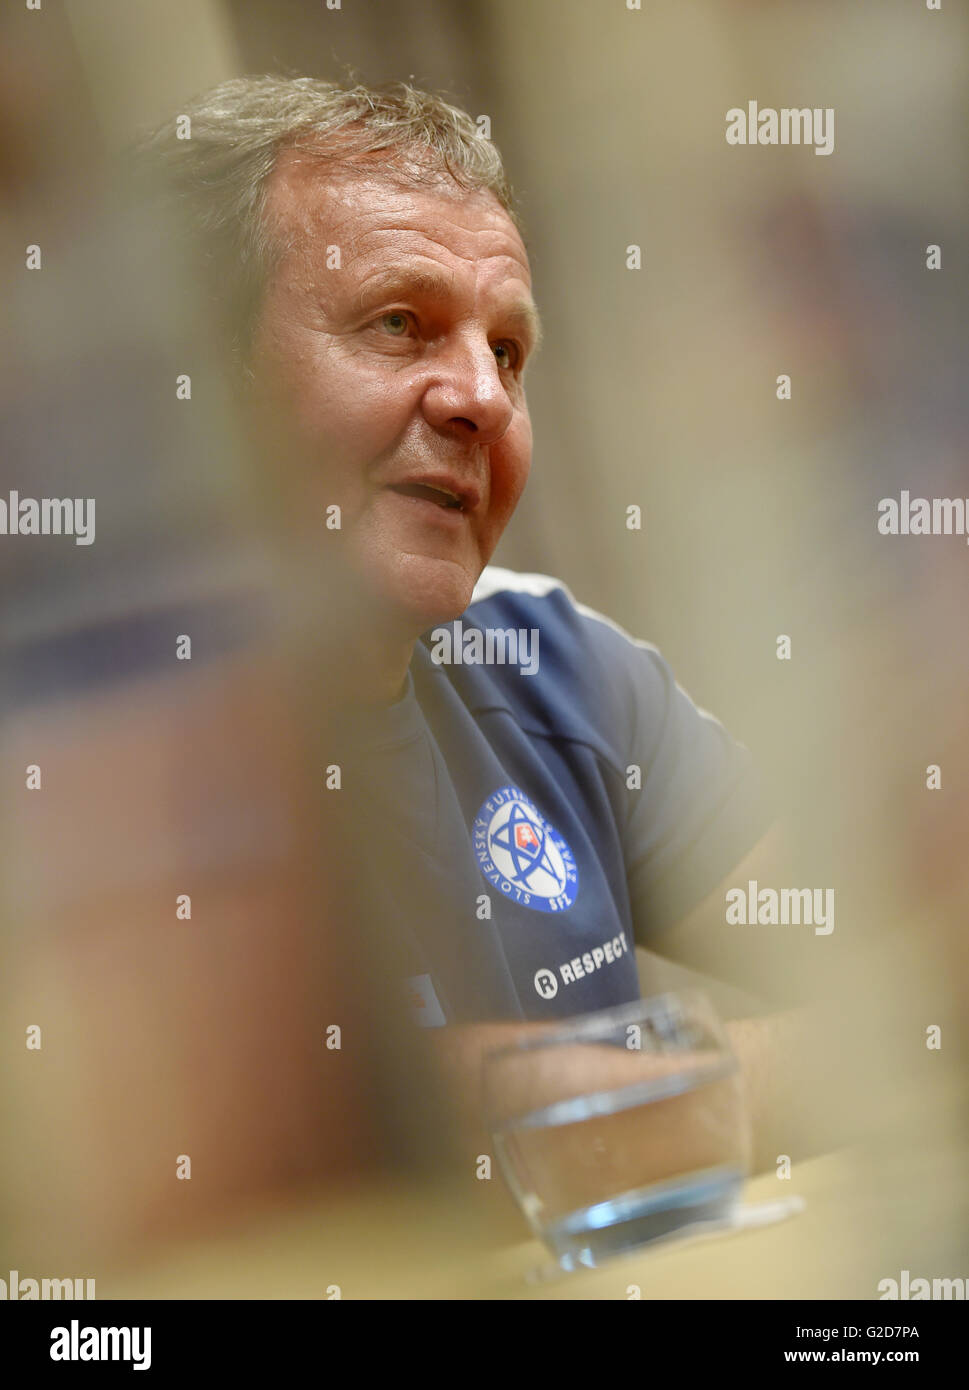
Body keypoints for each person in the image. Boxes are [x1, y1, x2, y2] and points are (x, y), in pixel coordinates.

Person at [136, 76, 829, 1170]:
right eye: (399, 323)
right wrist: (716, 1089)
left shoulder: (560, 666)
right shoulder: (95, 740)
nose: (484, 400)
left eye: (506, 351)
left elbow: (879, 999)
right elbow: (346, 1144)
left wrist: (622, 1104)